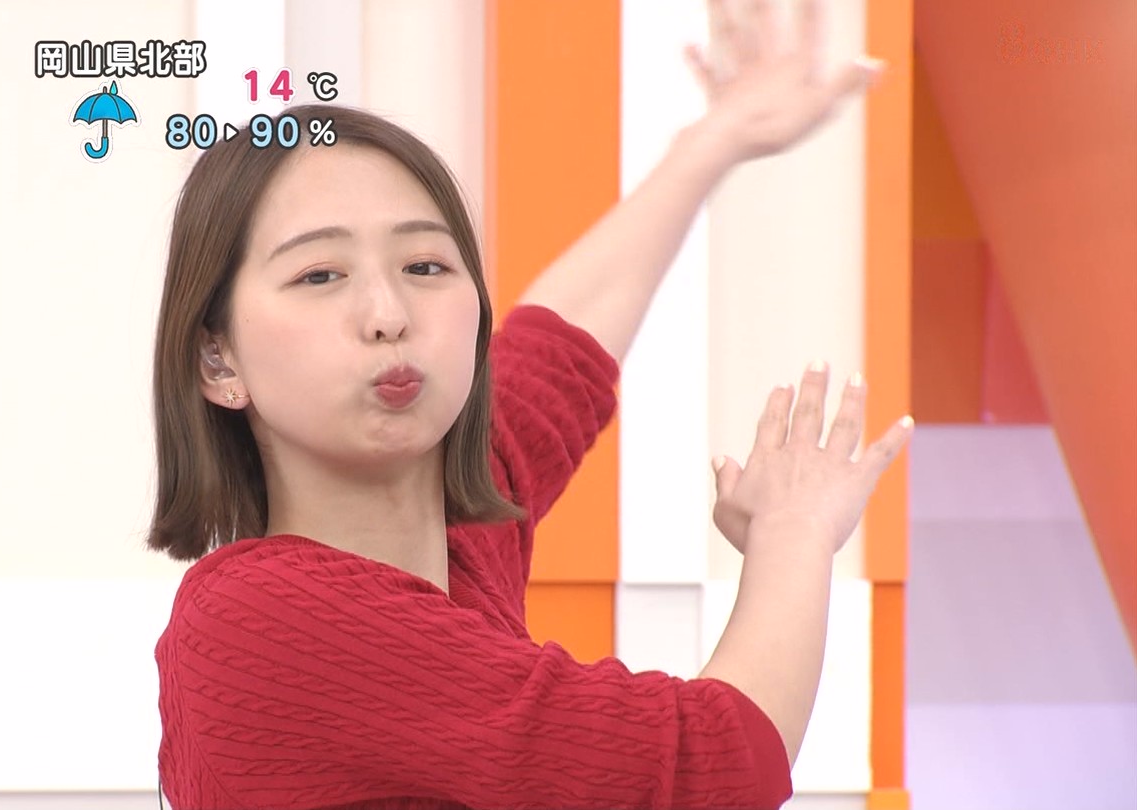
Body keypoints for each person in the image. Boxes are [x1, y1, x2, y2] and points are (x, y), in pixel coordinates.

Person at [149, 3, 909, 808]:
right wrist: (794, 532)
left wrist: (714, 140)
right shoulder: (263, 620)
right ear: (217, 358)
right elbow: (714, 762)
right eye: (320, 275)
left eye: (426, 266)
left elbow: (560, 349)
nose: (388, 314)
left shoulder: (463, 537)